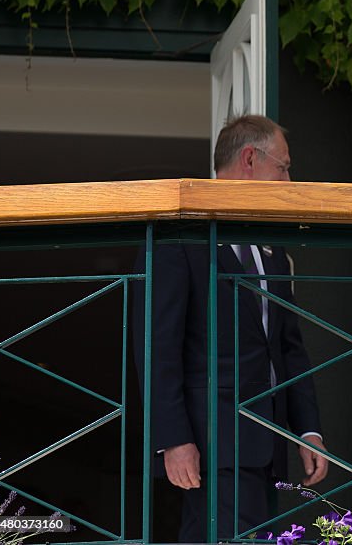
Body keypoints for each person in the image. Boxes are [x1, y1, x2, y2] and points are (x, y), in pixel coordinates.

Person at [132, 115, 328, 542]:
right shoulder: (179, 237)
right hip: (210, 441)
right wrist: (174, 439)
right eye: (284, 167)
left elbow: (288, 346)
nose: (289, 180)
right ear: (250, 159)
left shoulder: (272, 248)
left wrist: (307, 429)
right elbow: (156, 346)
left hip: (267, 441)